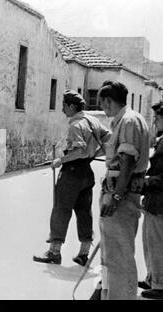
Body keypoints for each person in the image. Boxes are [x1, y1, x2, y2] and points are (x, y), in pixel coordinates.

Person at [33, 90, 111, 266]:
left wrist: (61, 160)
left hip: (72, 172)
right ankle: (84, 253)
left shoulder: (76, 125)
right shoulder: (93, 120)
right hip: (87, 172)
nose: (62, 110)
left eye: (64, 106)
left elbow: (79, 150)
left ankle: (54, 252)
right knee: (84, 212)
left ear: (71, 106)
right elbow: (110, 140)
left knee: (61, 209)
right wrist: (95, 153)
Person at [98, 80, 150, 300]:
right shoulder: (126, 120)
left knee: (119, 256)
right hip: (117, 194)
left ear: (108, 101)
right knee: (111, 256)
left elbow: (127, 162)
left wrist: (116, 196)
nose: (102, 108)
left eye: (102, 103)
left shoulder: (128, 121)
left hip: (121, 196)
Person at [139, 101, 163, 300]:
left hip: (159, 201)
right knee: (149, 240)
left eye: (157, 118)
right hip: (153, 200)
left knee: (156, 242)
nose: (154, 121)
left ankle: (160, 284)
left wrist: (146, 182)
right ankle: (151, 277)